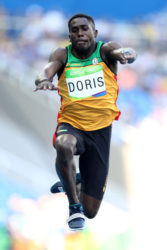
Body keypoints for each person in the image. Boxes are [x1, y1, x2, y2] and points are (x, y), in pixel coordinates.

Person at [34, 13, 137, 230]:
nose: (80, 33)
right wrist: (43, 80)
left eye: (84, 28)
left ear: (95, 33)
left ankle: (73, 179)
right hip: (72, 125)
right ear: (69, 35)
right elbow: (48, 69)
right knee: (64, 145)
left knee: (91, 211)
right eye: (74, 30)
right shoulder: (62, 54)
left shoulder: (105, 50)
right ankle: (73, 208)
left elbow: (120, 52)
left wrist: (127, 53)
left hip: (100, 132)